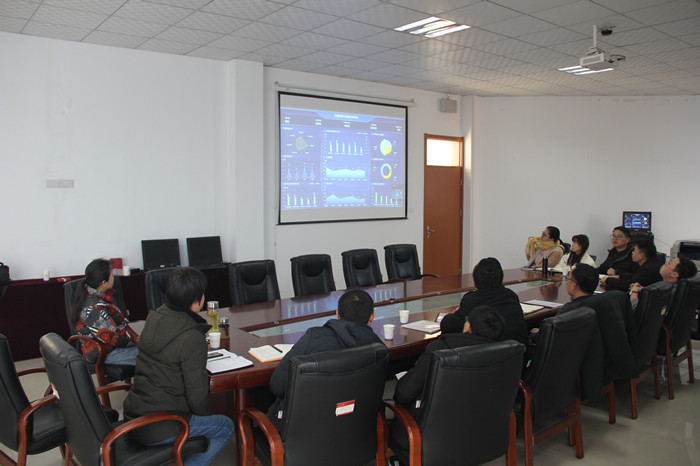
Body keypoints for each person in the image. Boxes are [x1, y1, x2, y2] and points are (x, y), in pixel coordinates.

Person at [123, 267, 233, 465]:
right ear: (196, 301)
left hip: (134, 414)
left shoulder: (154, 317)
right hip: (163, 424)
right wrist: (207, 420)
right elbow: (197, 396)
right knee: (224, 426)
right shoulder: (191, 337)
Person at [389, 306, 505, 459]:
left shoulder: (441, 350)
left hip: (429, 437)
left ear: (468, 326)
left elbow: (404, 394)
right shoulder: (504, 352)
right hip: (483, 432)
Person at [267, 289, 384, 430]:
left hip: (303, 432)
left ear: (337, 314)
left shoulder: (314, 337)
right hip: (355, 431)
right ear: (372, 317)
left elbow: (278, 384)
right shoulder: (378, 349)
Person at [440, 257, 528, 345]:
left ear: (475, 283)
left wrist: (452, 314)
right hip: (516, 352)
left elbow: (447, 326)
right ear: (501, 279)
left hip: (488, 352)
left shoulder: (472, 299)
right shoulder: (511, 296)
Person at [69, 258, 137, 366]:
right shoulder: (95, 308)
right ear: (103, 283)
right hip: (106, 353)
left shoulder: (94, 293)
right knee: (151, 356)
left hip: (114, 345)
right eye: (112, 275)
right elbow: (114, 339)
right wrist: (137, 338)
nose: (114, 277)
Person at [629, 256, 697, 310]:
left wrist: (634, 292)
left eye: (669, 263)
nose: (665, 263)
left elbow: (635, 310)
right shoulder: (675, 289)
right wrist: (645, 290)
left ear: (674, 274)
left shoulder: (663, 293)